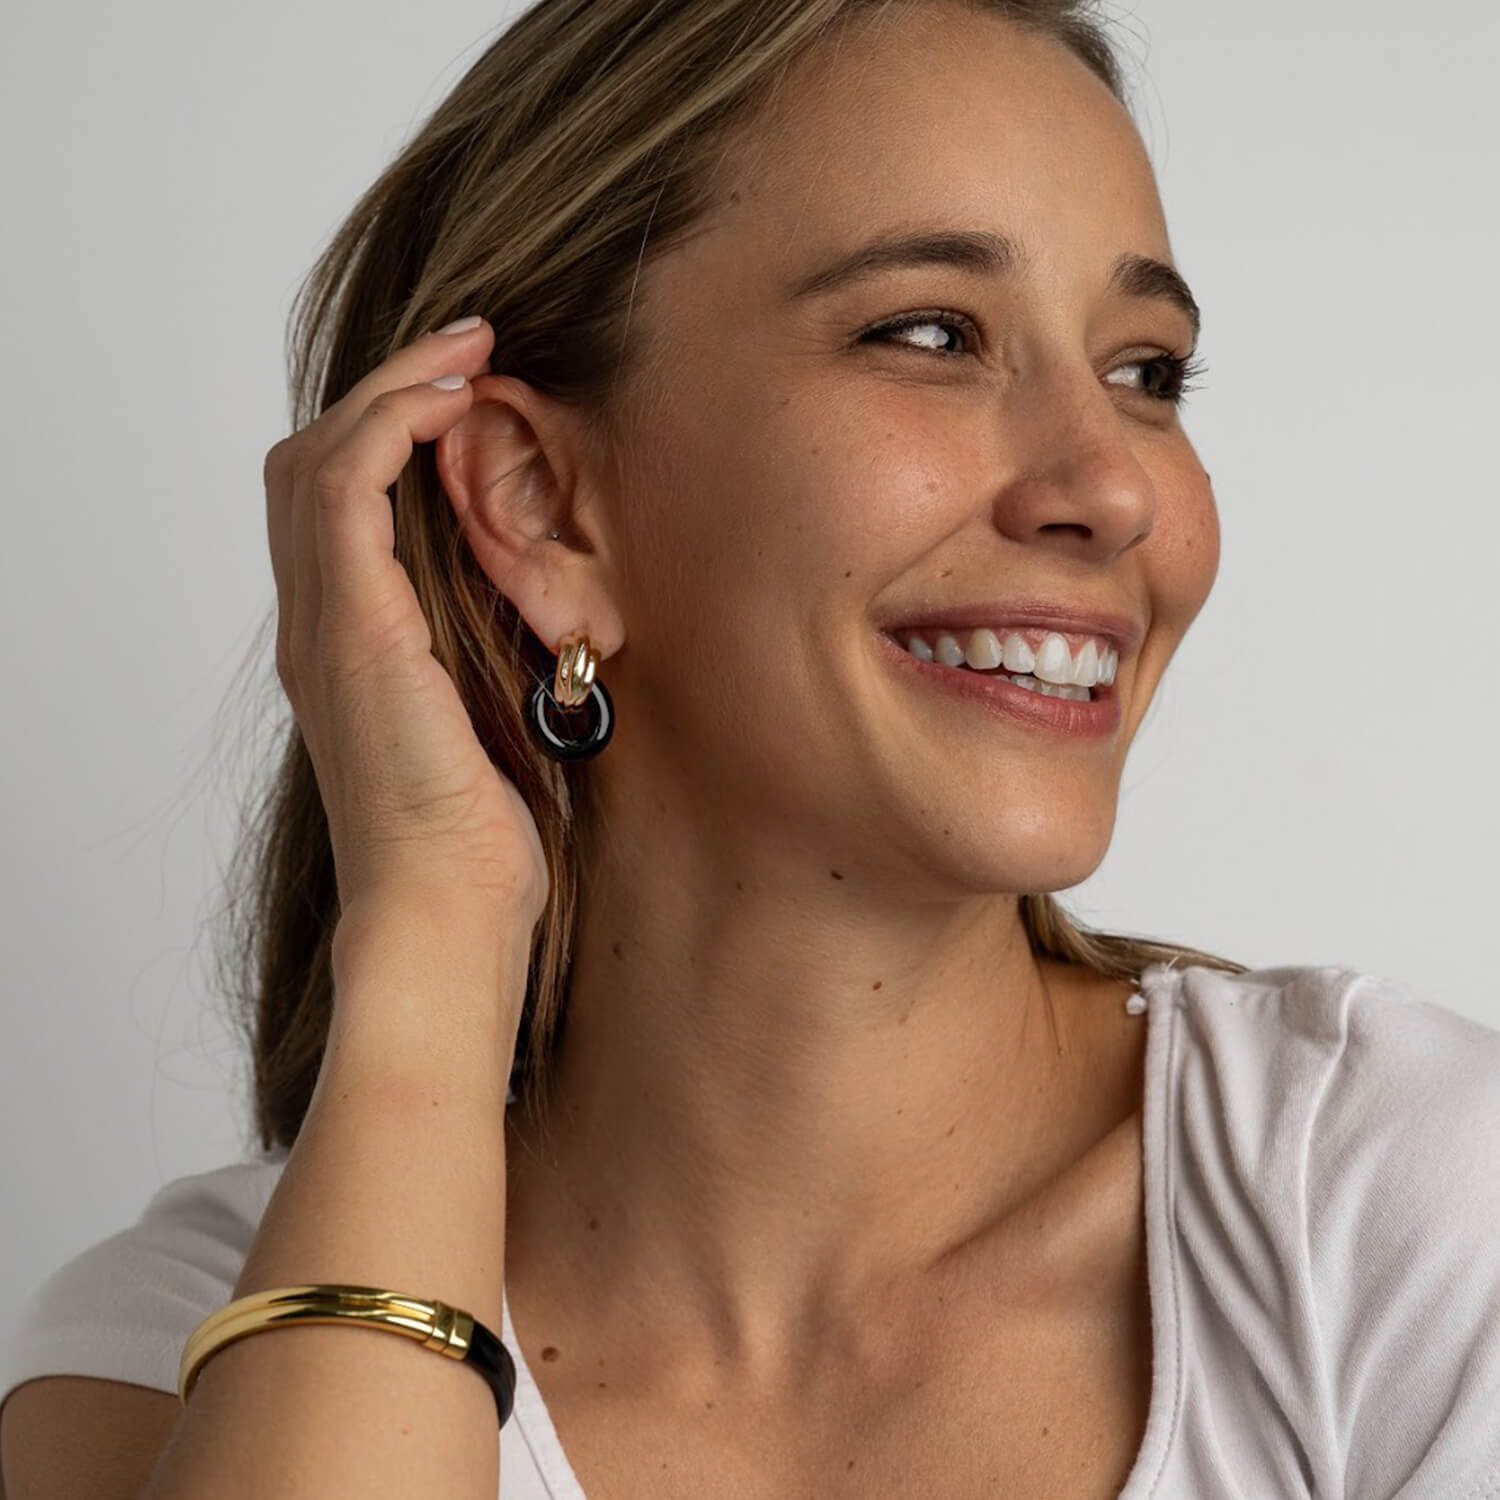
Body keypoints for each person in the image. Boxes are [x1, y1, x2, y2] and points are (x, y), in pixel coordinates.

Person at [3, 0, 1498, 1495]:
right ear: (539, 500)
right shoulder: (187, 1336)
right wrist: (434, 926)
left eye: (1148, 370)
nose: (1109, 486)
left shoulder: (1408, 1216)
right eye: (931, 334)